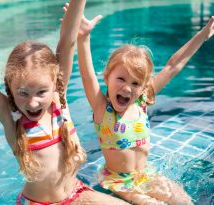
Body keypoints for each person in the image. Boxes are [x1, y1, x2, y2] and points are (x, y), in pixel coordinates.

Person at [0, 1, 130, 205]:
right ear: (10, 88)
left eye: (41, 92)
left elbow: (67, 42)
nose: (33, 102)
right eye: (23, 93)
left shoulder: (58, 100)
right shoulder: (13, 119)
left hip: (76, 193)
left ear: (55, 83)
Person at [73, 3, 214, 205]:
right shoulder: (102, 109)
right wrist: (83, 37)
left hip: (146, 175)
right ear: (106, 78)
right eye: (121, 79)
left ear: (143, 87)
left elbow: (174, 65)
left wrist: (201, 35)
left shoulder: (142, 101)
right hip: (118, 181)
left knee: (184, 200)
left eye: (135, 83)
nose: (128, 88)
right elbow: (86, 75)